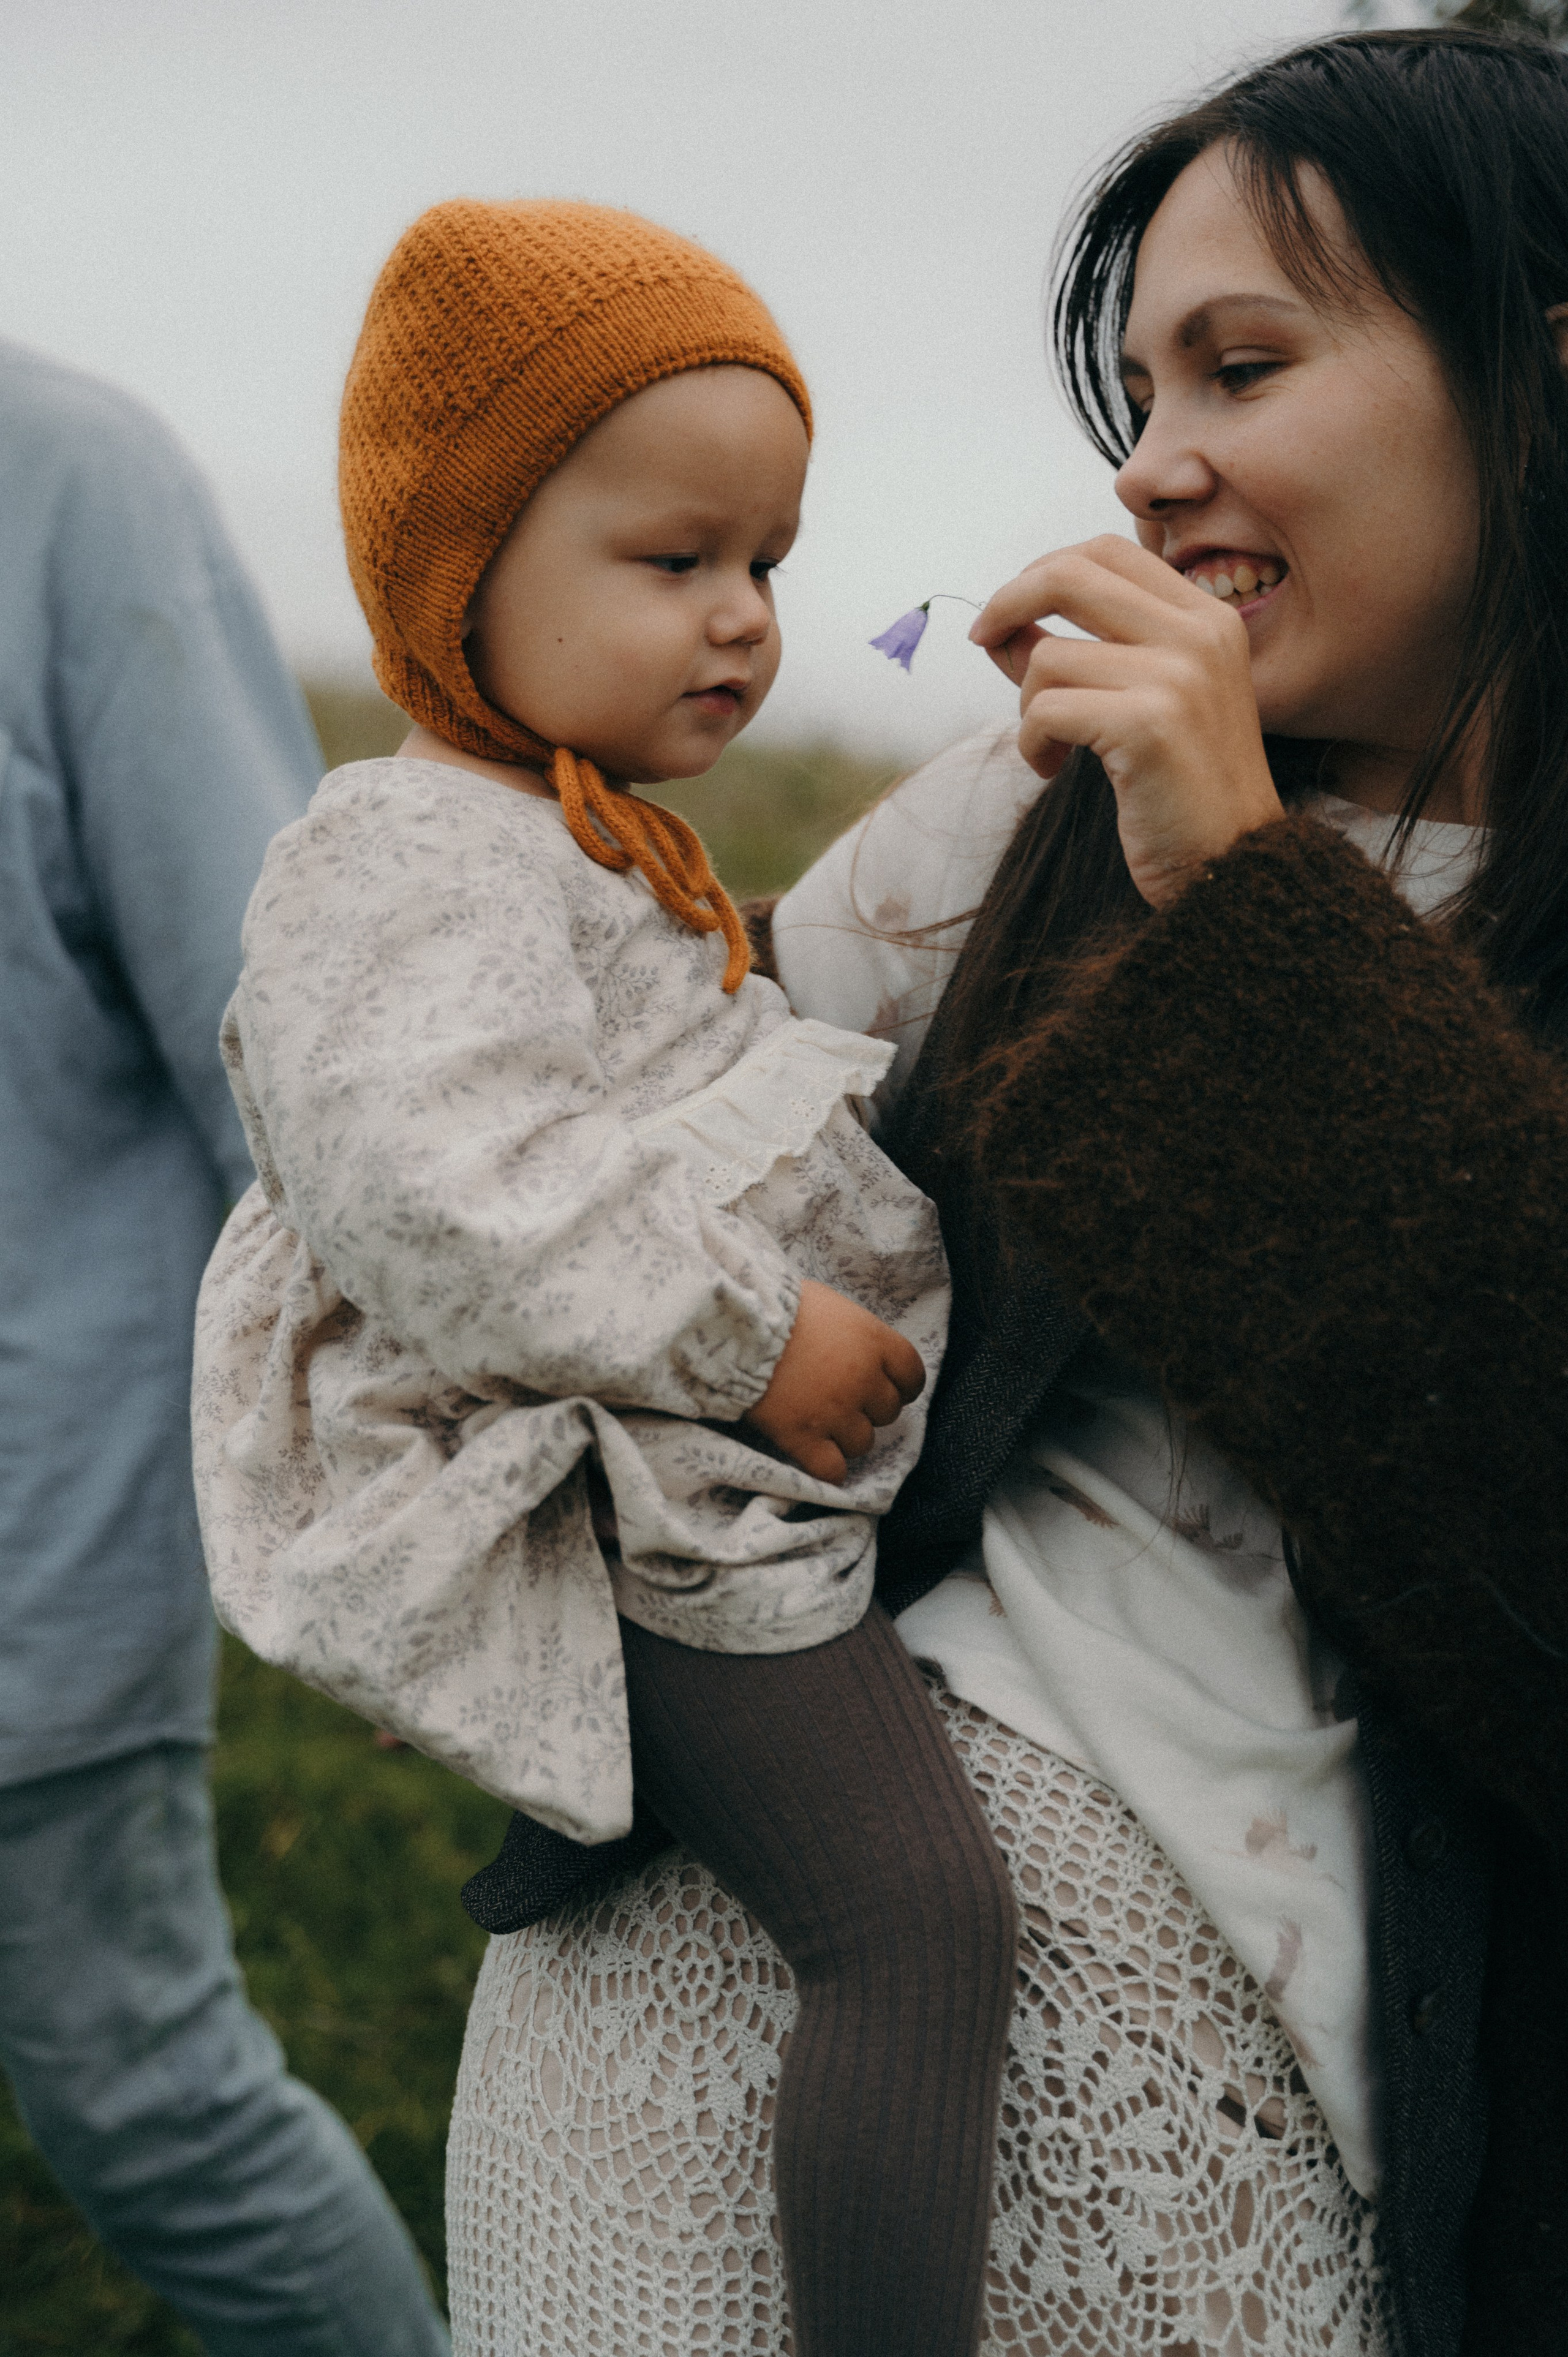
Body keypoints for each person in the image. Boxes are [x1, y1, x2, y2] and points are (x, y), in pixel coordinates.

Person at [440, 26, 1568, 2357]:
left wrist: (1244, 885)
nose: (1155, 473)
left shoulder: (1227, 843)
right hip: (672, 2077)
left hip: (1244, 2212)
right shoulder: (993, 827)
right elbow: (623, 1169)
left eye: (1242, 366)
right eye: (1136, 394)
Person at [190, 200, 1017, 2357]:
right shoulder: (405, 856)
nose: (742, 620)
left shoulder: (568, 835)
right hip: (612, 1482)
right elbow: (448, 1201)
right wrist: (755, 1345)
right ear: (462, 571)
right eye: (675, 563)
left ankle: (625, 1799)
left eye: (768, 563)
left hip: (693, 1432)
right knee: (915, 1921)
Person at [0, 347, 453, 2353]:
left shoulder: (63, 486)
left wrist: (412, 1528)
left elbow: (289, 1063)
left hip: (31, 1543)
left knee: (142, 2094)